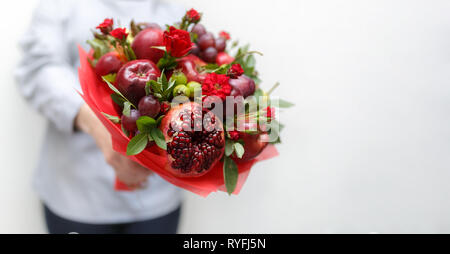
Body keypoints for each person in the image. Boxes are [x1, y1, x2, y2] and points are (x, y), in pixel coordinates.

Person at [15, 0, 185, 234]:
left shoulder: (172, 8)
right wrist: (98, 126)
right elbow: (39, 68)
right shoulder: (60, 6)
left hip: (158, 198)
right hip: (78, 193)